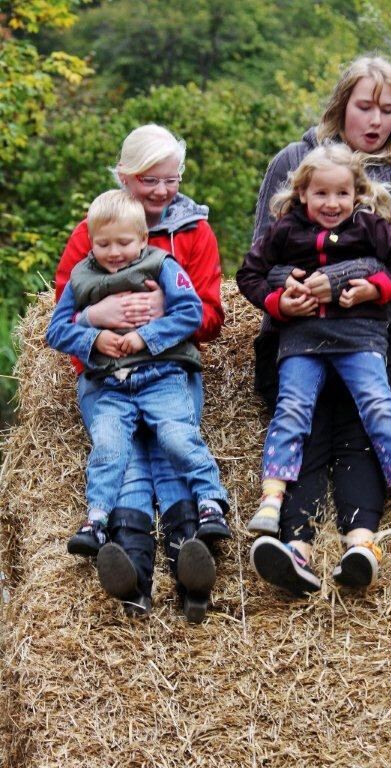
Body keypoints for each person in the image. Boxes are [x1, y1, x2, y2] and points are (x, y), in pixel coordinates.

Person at [237, 55, 391, 595]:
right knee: (300, 421)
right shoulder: (292, 159)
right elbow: (261, 255)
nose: (376, 120)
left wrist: (338, 279)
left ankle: (360, 545)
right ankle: (294, 548)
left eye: (388, 110)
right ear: (341, 105)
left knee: (360, 426)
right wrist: (289, 291)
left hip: (376, 330)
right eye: (365, 106)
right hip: (296, 331)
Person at [53, 124, 227, 622]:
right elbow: (62, 313)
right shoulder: (95, 230)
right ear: (124, 177)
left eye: (171, 179)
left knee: (171, 449)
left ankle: (193, 569)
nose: (161, 191)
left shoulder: (194, 232)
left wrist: (159, 316)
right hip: (108, 374)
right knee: (124, 459)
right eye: (149, 180)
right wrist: (94, 322)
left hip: (167, 369)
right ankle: (132, 576)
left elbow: (209, 316)